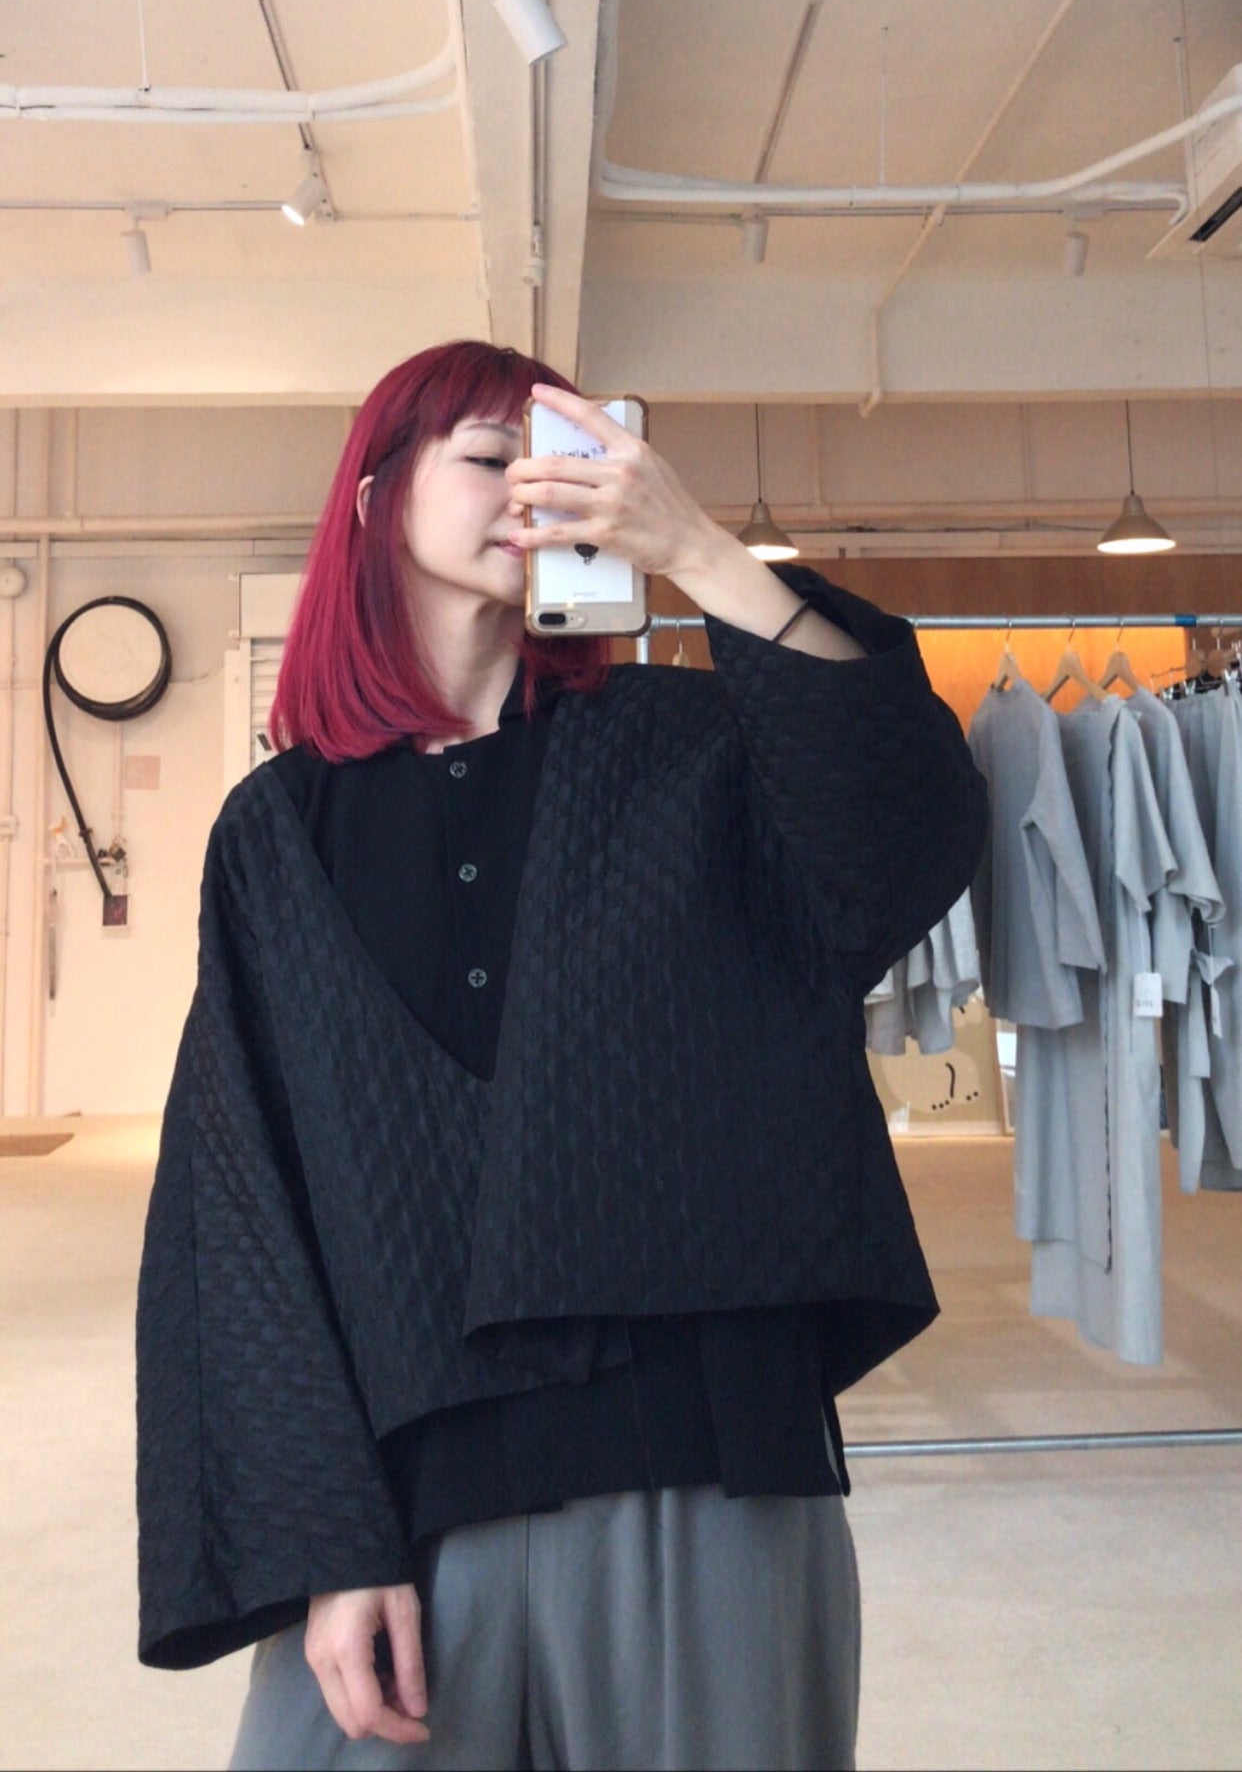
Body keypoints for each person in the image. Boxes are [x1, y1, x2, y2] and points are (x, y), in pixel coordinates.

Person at [135, 339, 987, 1771]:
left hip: (703, 1460)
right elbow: (240, 1203)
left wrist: (698, 551)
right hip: (403, 1503)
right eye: (491, 457)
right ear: (375, 501)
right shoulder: (276, 833)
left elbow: (905, 830)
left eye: (564, 463)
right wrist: (324, 1543)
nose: (534, 490)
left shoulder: (696, 748)